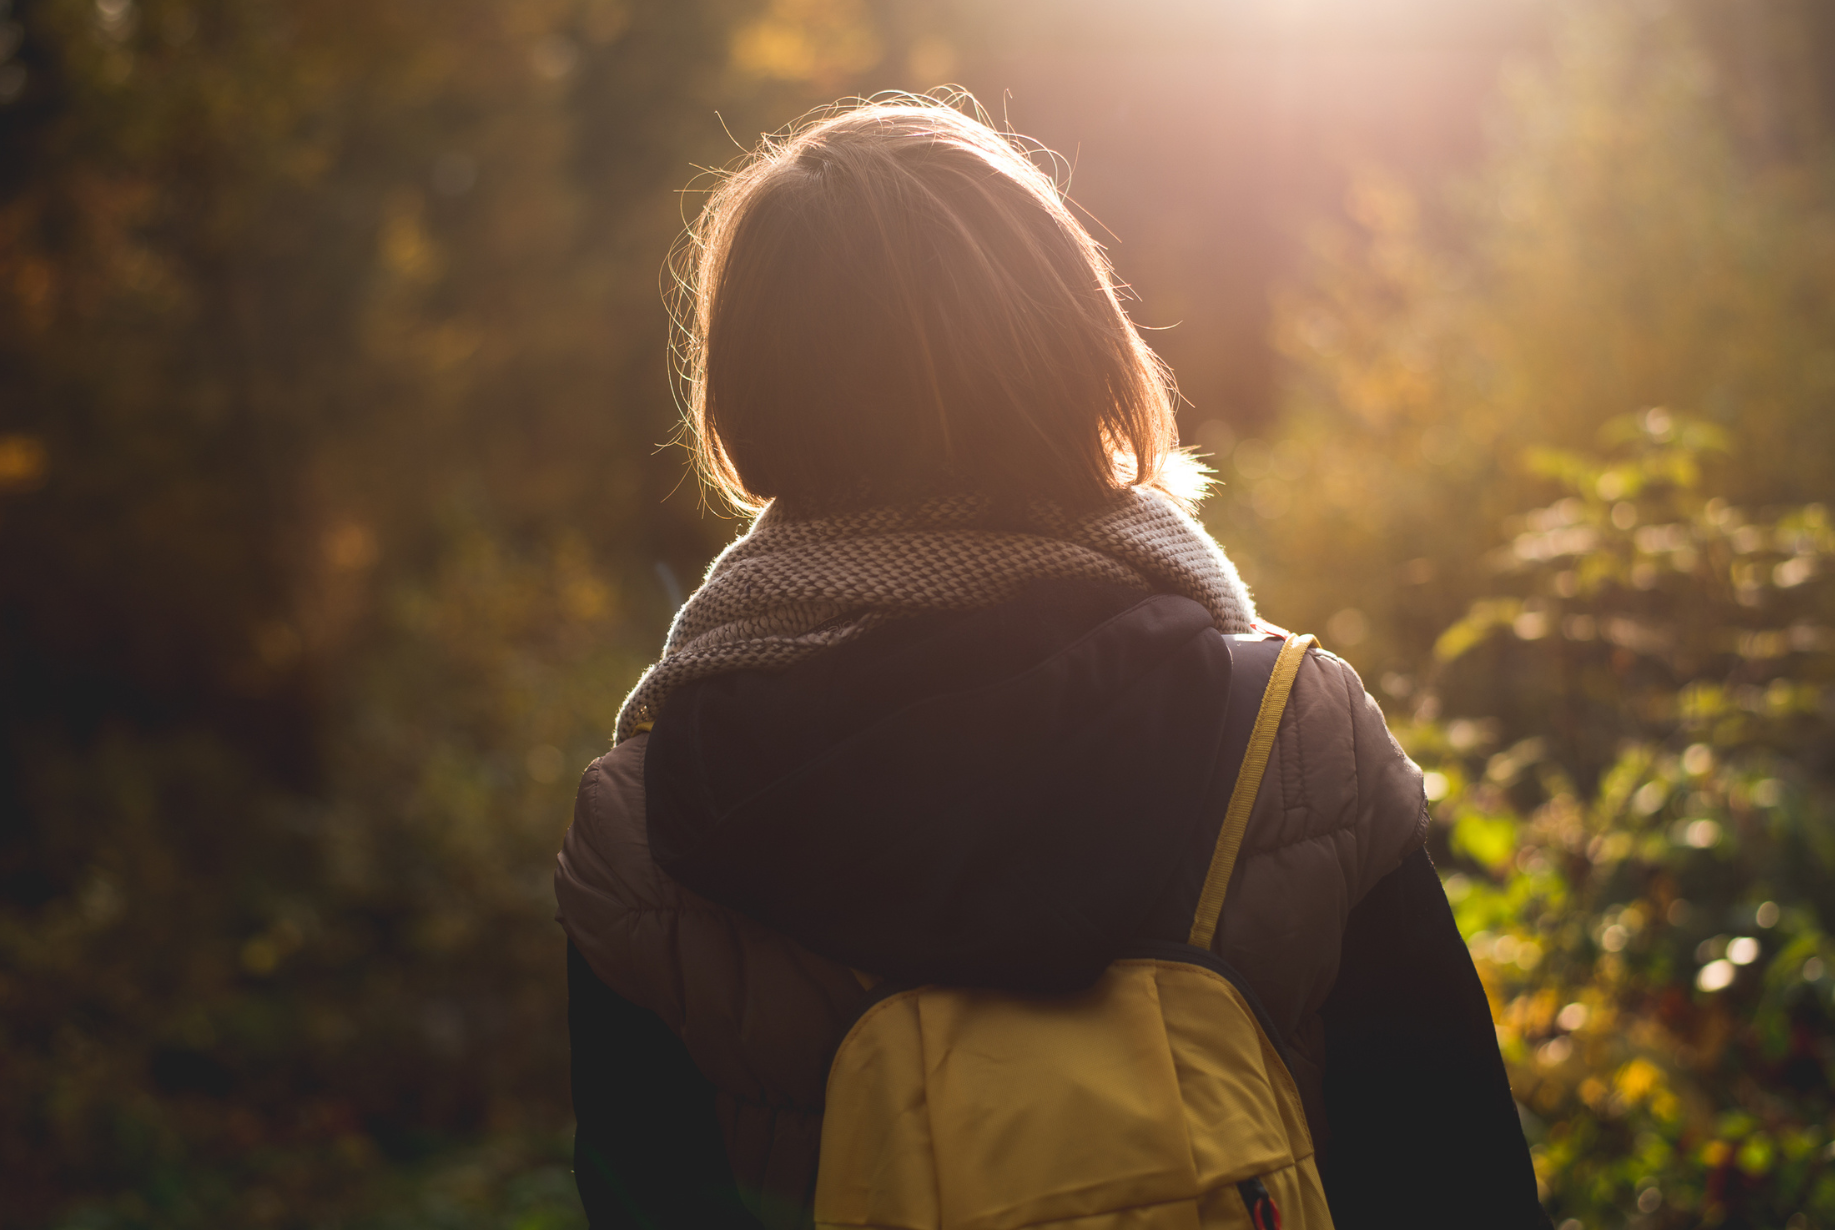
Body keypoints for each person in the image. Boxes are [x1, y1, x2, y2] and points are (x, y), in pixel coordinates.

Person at [554, 97, 1545, 1229]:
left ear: (748, 388)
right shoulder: (1290, 736)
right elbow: (1458, 1182)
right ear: (1075, 342)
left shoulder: (650, 825)